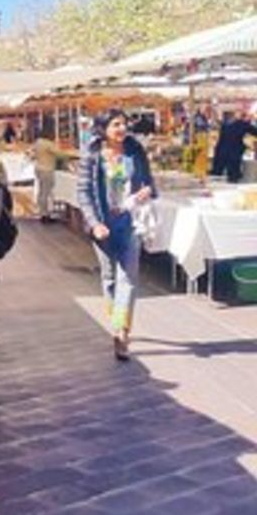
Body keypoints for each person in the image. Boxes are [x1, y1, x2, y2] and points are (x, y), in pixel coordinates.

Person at [78, 109, 156, 361]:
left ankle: (122, 332)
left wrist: (147, 191)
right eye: (116, 124)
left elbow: (150, 183)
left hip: (130, 222)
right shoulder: (91, 155)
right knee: (110, 277)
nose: (122, 129)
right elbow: (84, 192)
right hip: (102, 223)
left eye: (124, 124)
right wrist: (94, 223)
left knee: (128, 278)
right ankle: (116, 320)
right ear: (103, 128)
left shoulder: (134, 150)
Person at [32, 127, 74, 222]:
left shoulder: (38, 142)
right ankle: (45, 215)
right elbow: (60, 154)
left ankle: (42, 211)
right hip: (47, 169)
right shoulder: (48, 144)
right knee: (46, 192)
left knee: (41, 192)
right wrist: (71, 156)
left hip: (38, 168)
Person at [209, 108, 257, 183]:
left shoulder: (225, 126)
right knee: (232, 178)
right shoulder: (243, 124)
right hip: (233, 156)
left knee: (217, 177)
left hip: (221, 154)